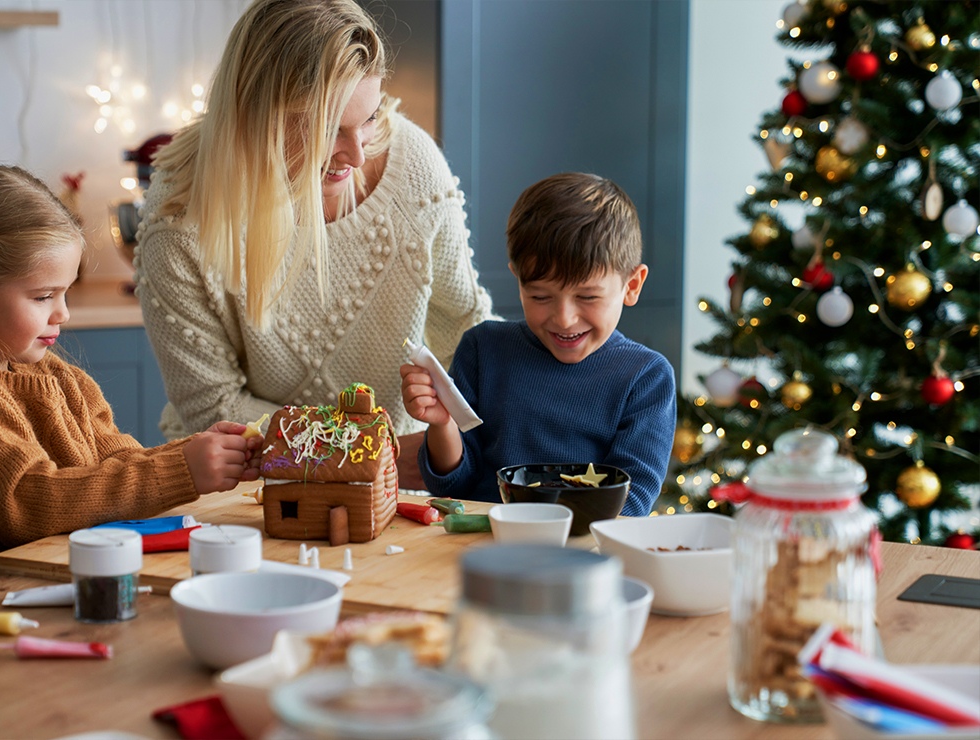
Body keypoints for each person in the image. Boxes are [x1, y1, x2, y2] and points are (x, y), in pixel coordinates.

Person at [134, 0, 494, 489]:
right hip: (251, 487)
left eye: (368, 118)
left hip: (405, 476)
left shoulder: (411, 163)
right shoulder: (179, 219)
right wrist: (366, 452)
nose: (358, 153)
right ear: (252, 113)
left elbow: (467, 329)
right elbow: (213, 408)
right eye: (328, 129)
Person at [0, 165, 264, 609]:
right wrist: (183, 470)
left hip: (52, 594)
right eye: (43, 297)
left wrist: (194, 454)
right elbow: (26, 501)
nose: (63, 314)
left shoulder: (59, 376)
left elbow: (118, 462)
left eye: (65, 294)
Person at [400, 172, 677, 514]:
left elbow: (629, 505)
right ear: (517, 278)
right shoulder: (483, 349)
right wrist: (442, 422)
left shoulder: (646, 378)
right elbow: (454, 485)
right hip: (482, 549)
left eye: (587, 297)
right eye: (540, 296)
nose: (564, 319)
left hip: (582, 555)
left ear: (632, 285)